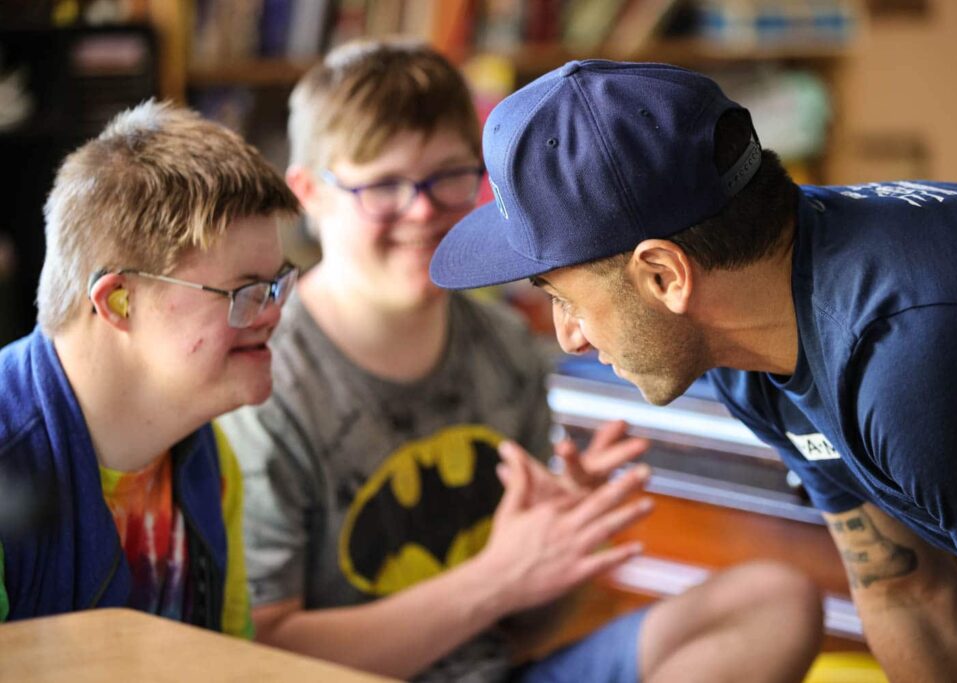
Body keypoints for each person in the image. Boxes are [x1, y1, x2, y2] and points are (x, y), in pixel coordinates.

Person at [218, 41, 823, 683]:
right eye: (385, 186)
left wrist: (561, 545)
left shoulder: (504, 346)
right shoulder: (267, 379)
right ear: (309, 194)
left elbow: (522, 632)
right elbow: (261, 657)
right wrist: (497, 578)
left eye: (449, 177)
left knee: (776, 600)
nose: (424, 213)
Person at [430, 57, 957, 681]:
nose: (569, 337)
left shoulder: (908, 357)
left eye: (563, 298)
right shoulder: (751, 336)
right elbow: (905, 590)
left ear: (664, 275)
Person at [0, 101, 300, 636]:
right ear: (119, 302)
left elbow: (227, 667)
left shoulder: (211, 460)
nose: (275, 312)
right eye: (245, 291)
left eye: (277, 285)